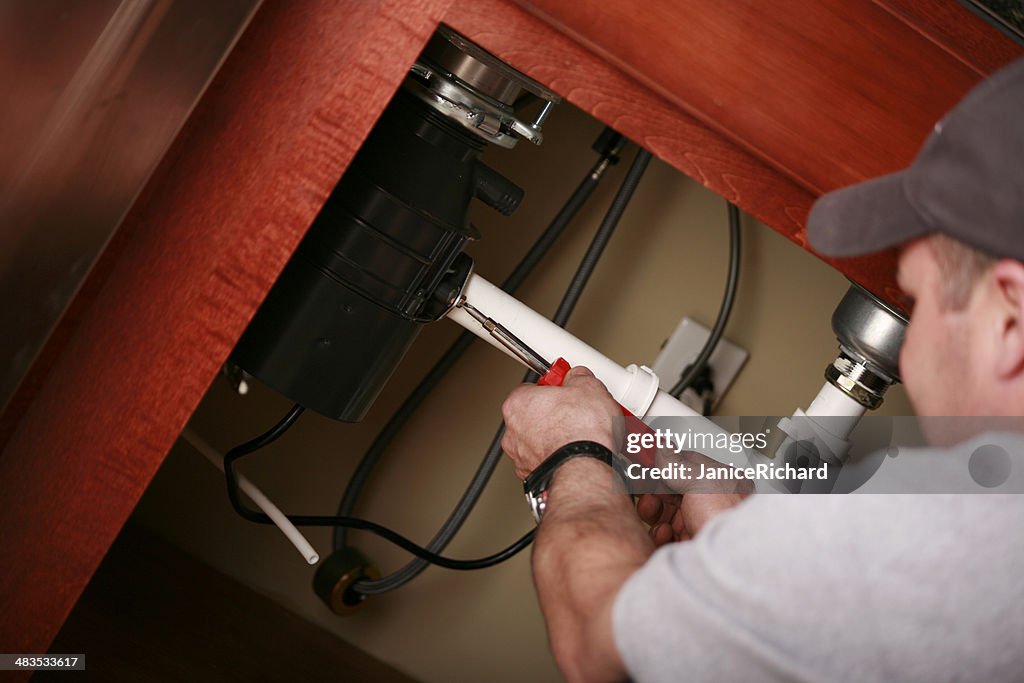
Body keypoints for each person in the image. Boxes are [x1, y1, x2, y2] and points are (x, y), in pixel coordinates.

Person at [500, 57, 1024, 682]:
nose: (911, 350)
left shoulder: (960, 530)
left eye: (925, 301)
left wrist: (570, 457)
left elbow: (598, 646)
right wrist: (716, 503)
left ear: (1009, 319)